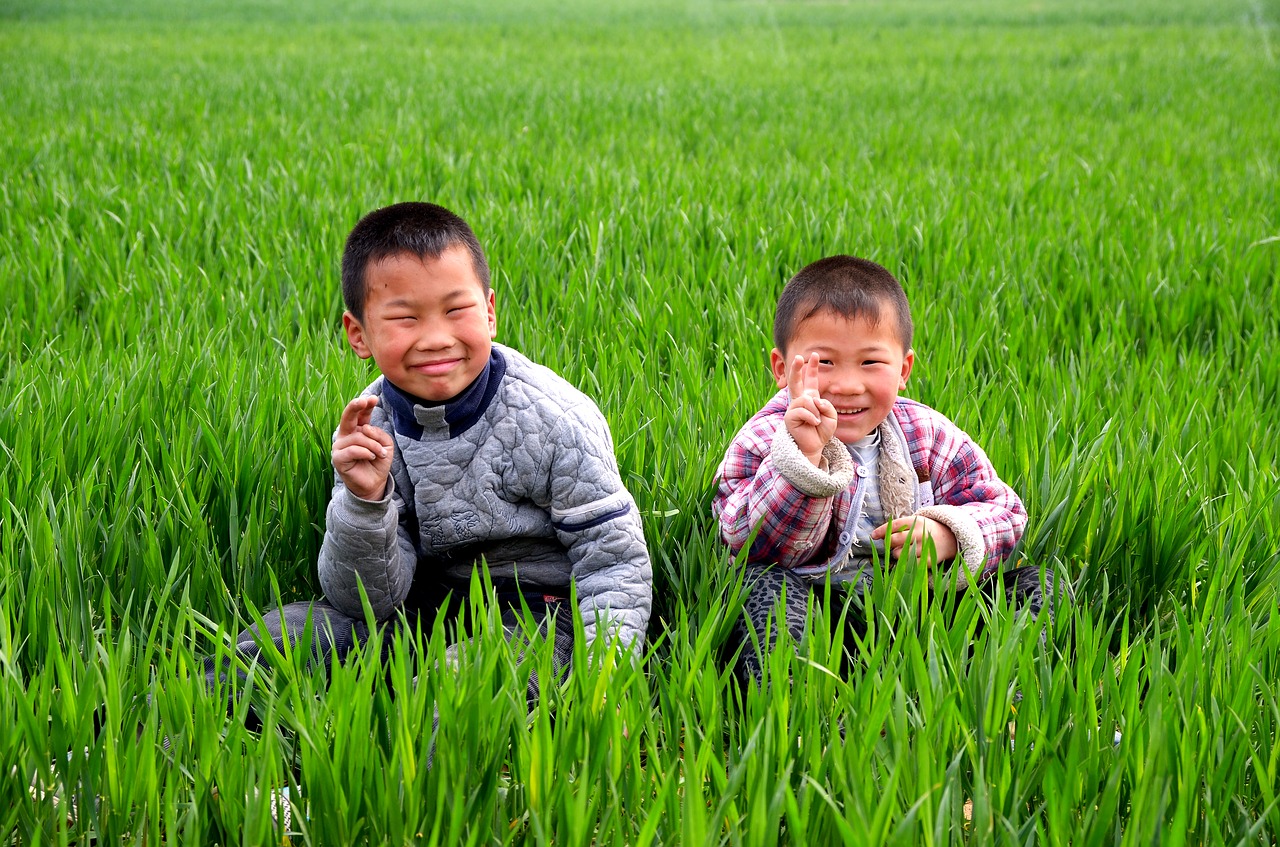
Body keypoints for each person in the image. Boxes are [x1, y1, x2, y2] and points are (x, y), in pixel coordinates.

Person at [208, 201, 652, 713]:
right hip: (425, 604)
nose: (436, 338)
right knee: (287, 637)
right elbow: (362, 603)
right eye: (405, 319)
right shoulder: (370, 426)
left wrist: (603, 688)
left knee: (453, 690)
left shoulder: (554, 418)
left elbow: (615, 565)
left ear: (488, 310)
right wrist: (365, 501)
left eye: (456, 311)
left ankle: (394, 786)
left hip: (541, 618)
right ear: (360, 336)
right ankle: (157, 733)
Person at [713, 255, 1056, 686]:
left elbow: (1003, 508)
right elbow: (751, 544)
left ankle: (1001, 695)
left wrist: (951, 534)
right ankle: (797, 714)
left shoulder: (926, 433)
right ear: (783, 369)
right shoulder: (764, 439)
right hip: (819, 611)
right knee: (764, 591)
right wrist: (803, 459)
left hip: (919, 608)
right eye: (824, 363)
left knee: (1042, 585)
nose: (847, 384)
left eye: (870, 363)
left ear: (904, 370)